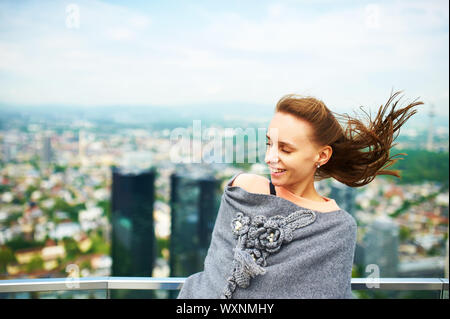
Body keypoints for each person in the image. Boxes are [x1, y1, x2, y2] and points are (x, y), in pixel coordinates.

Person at [177, 90, 423, 299]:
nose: (269, 158)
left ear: (322, 155)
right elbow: (217, 273)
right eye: (269, 144)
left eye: (285, 149)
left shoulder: (338, 228)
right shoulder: (245, 189)